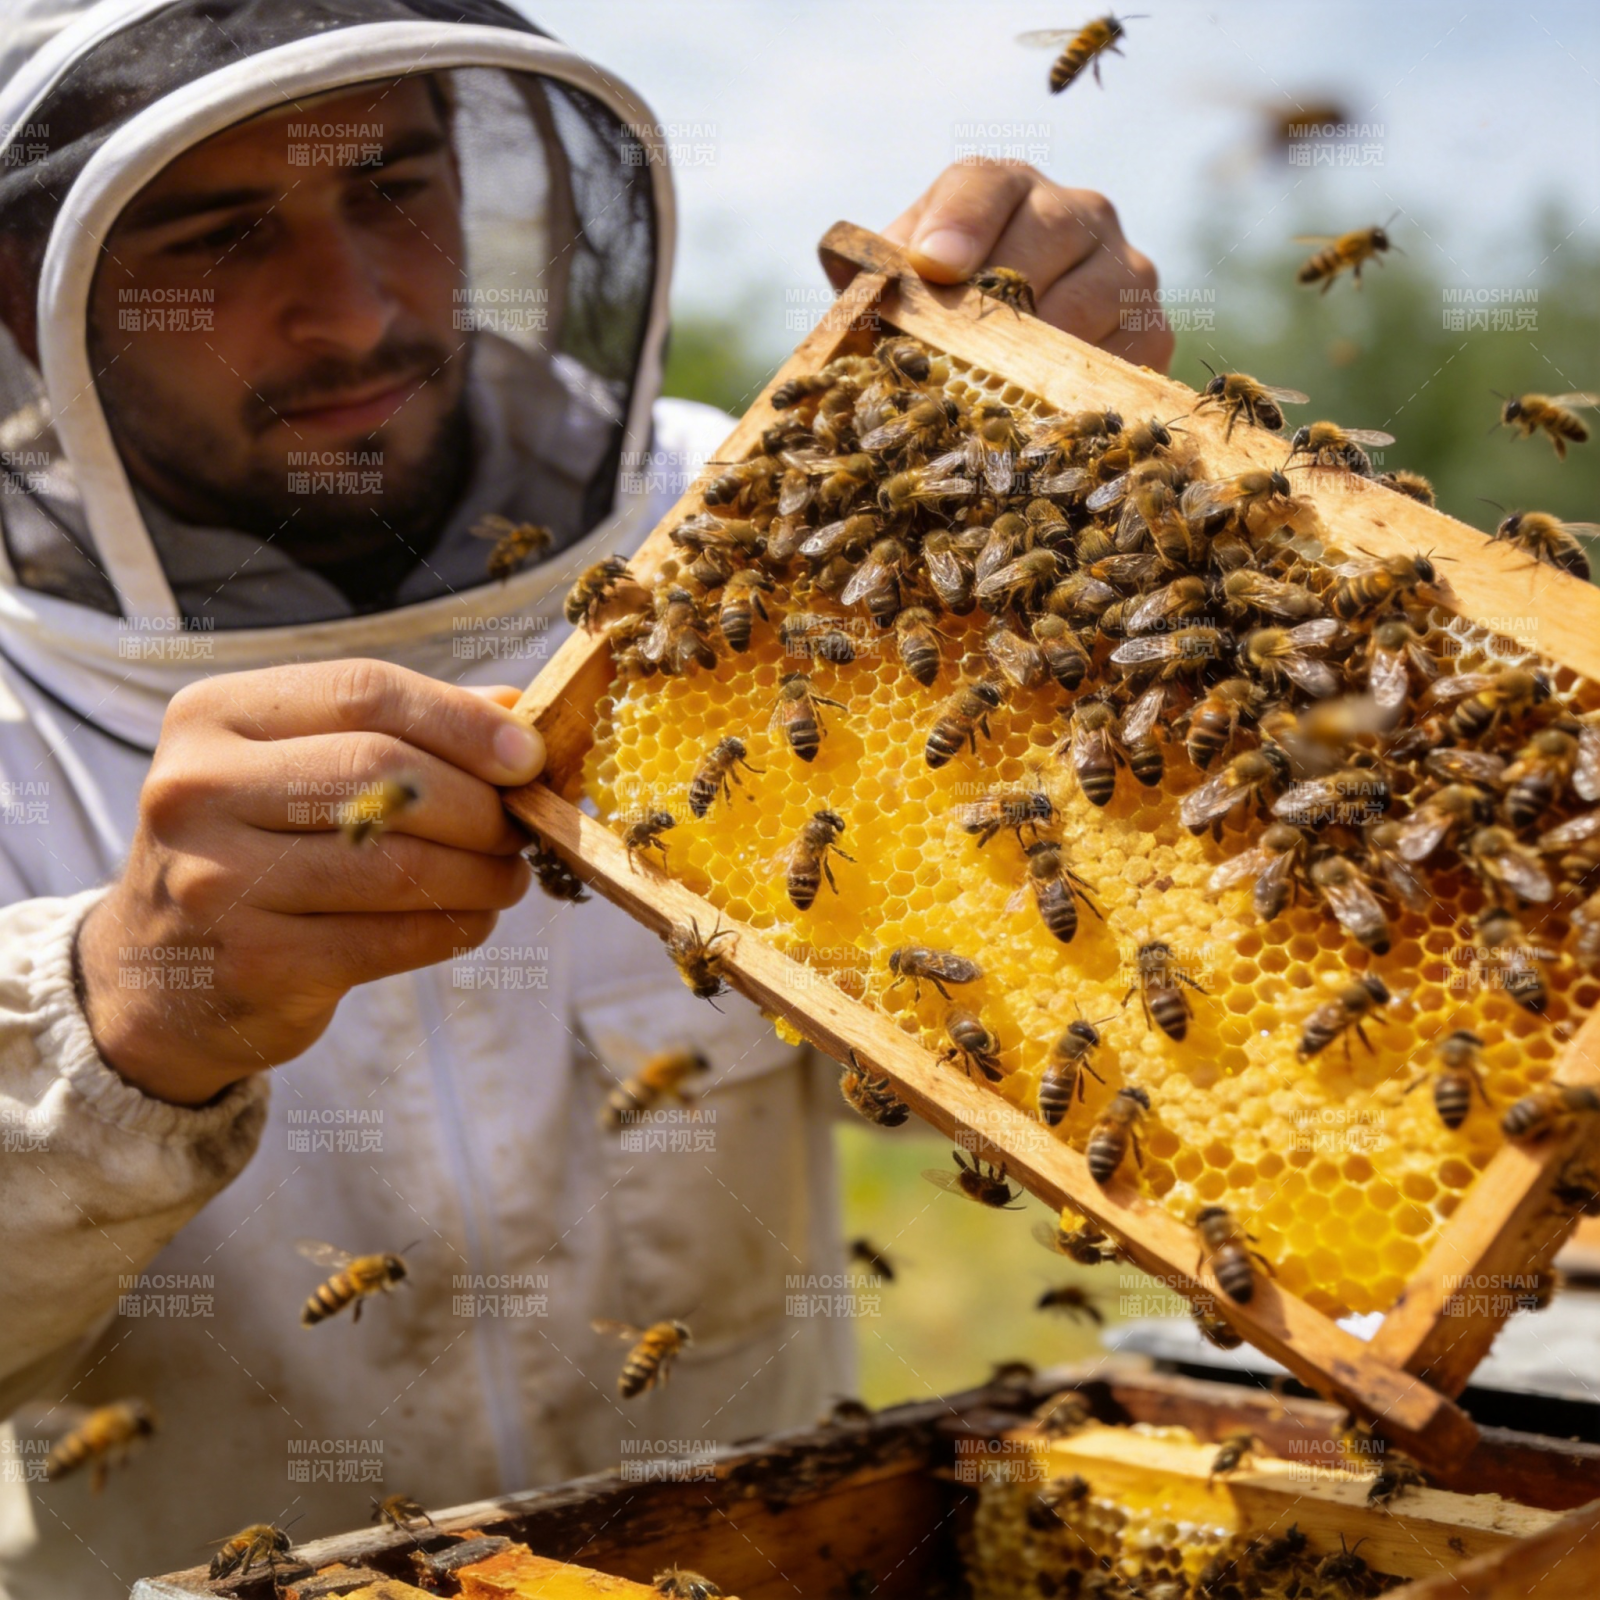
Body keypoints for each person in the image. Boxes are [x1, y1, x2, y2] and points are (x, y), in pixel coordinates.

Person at [0, 2, 1170, 1593]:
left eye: (393, 190)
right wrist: (121, 1016)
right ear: (29, 290)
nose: (354, 311)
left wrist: (1072, 522)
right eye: (221, 238)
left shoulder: (745, 525)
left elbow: (1050, 1025)